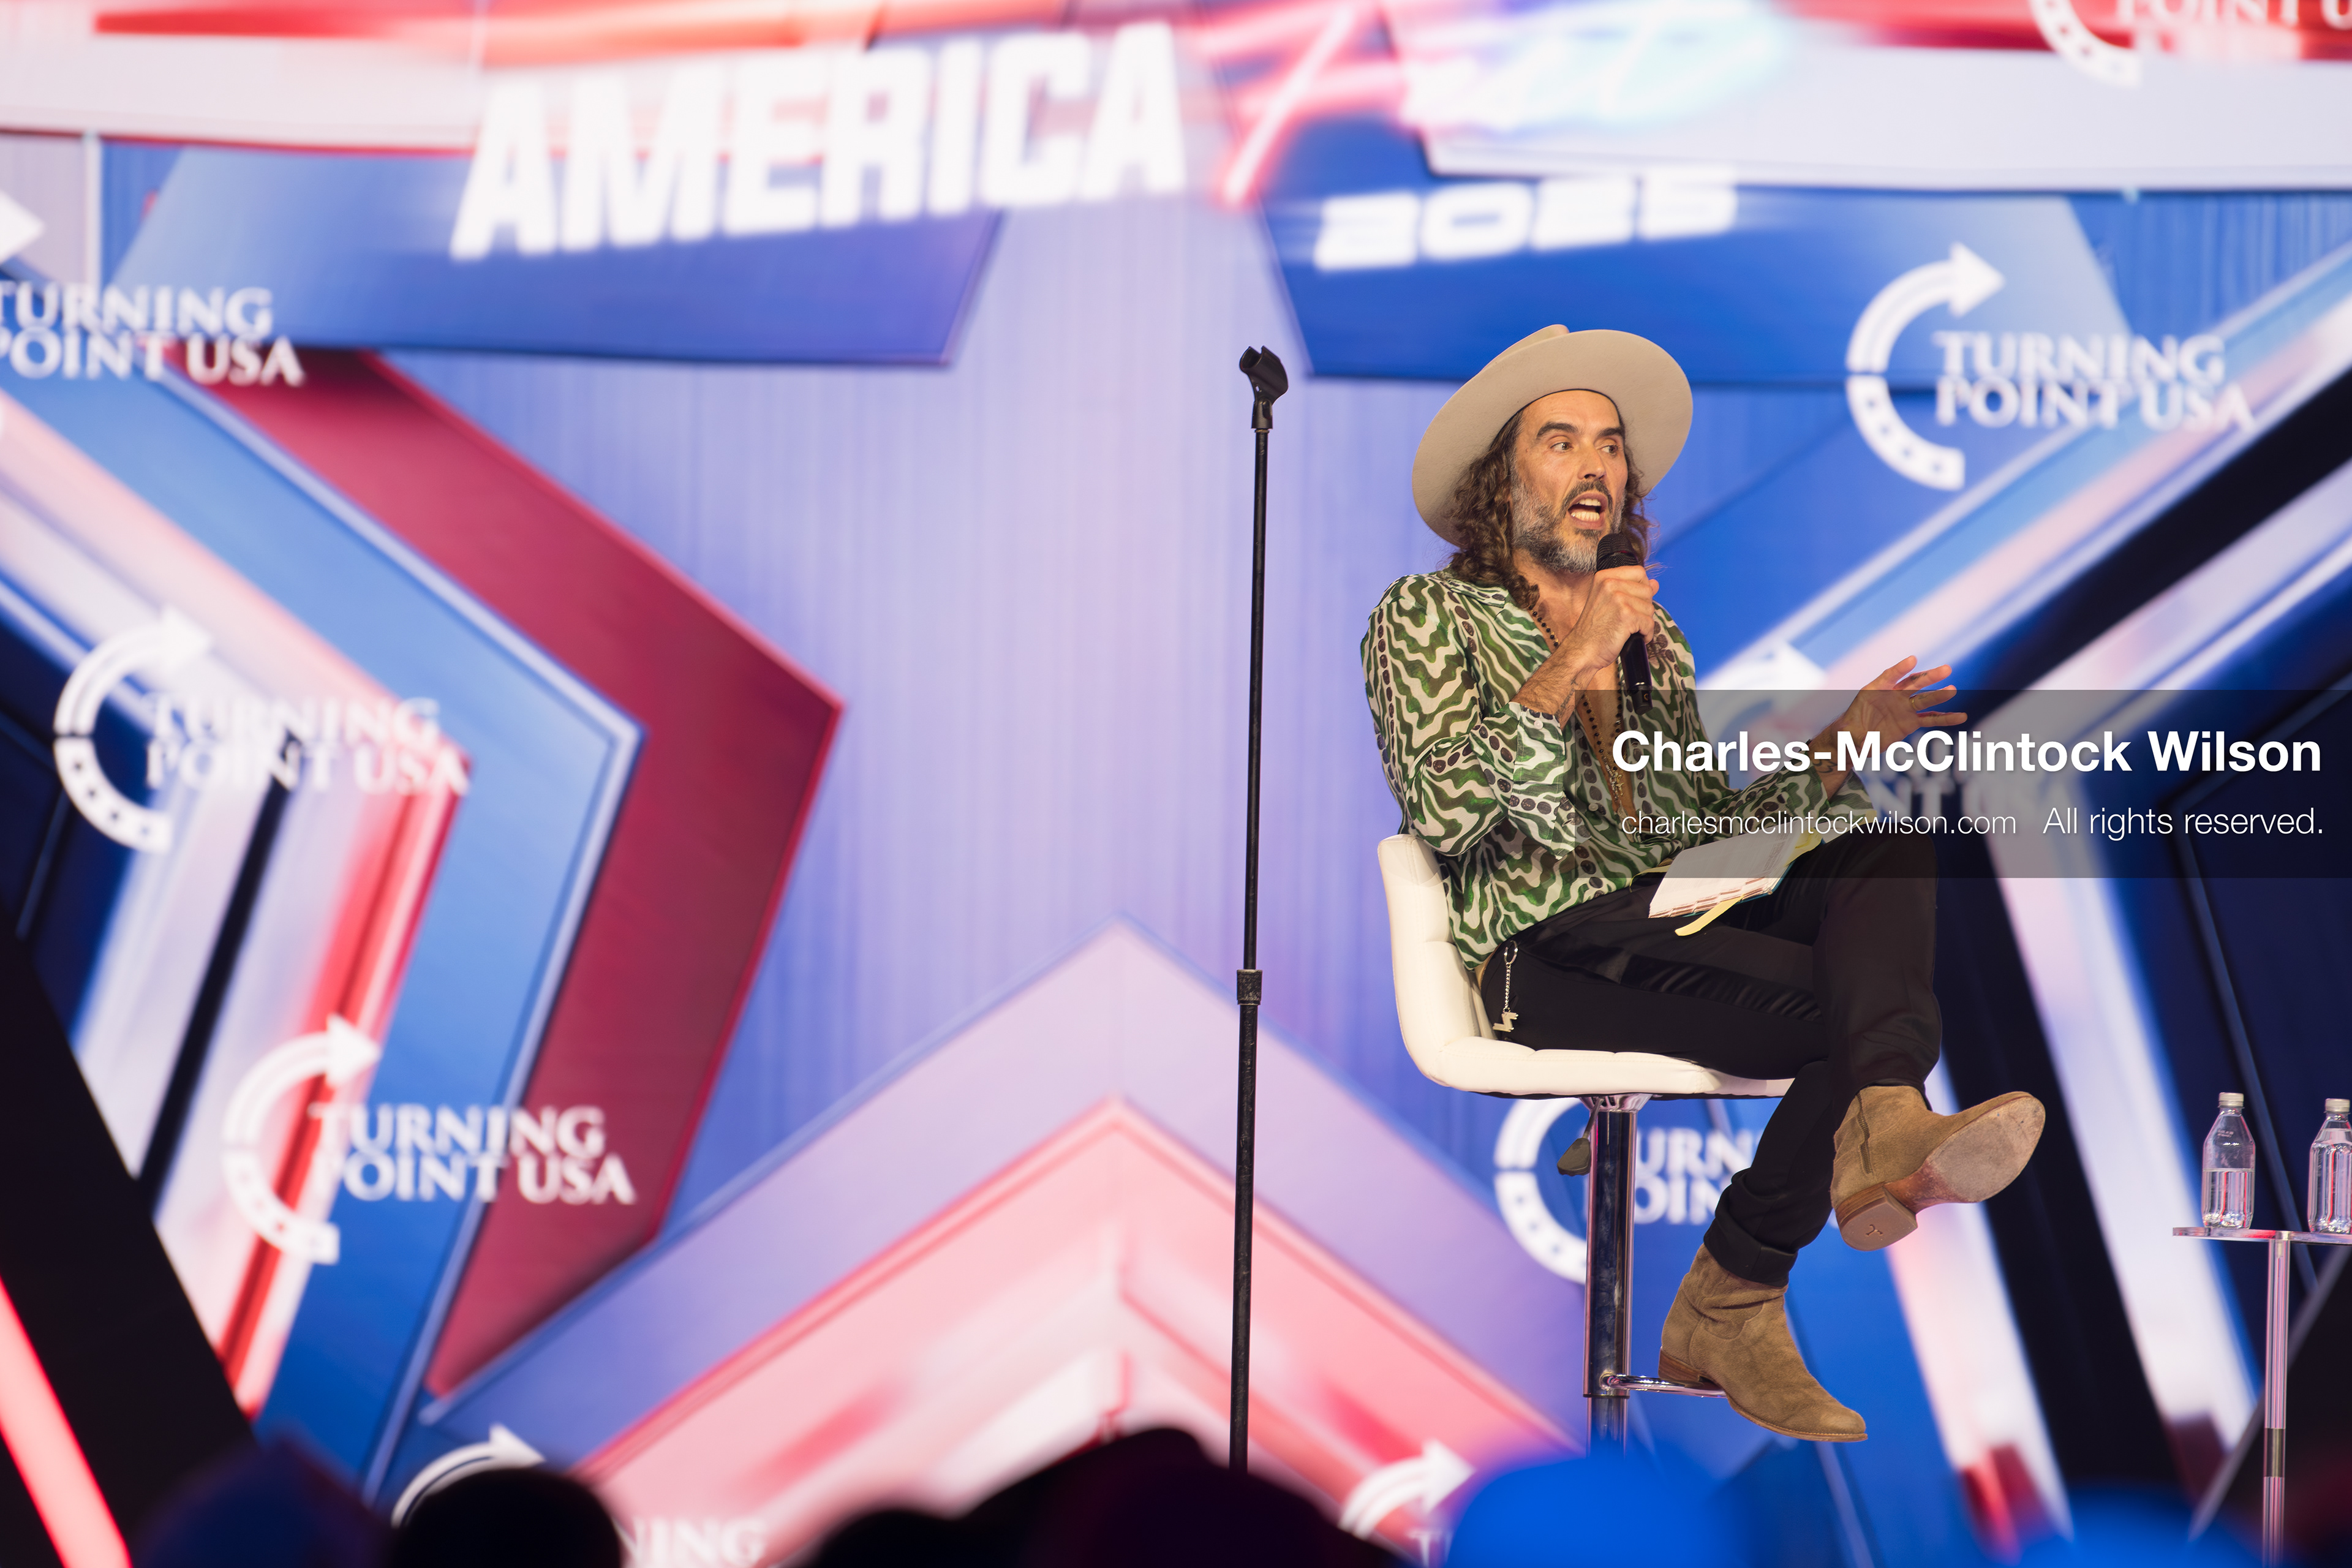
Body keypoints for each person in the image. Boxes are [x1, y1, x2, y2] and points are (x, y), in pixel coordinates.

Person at [1361, 325, 2046, 1442]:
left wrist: (1837, 745)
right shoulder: (1422, 616)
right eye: (1561, 441)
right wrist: (1575, 655)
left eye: (1612, 447)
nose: (1596, 466)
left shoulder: (1654, 642)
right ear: (1504, 481)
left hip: (1672, 916)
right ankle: (1738, 1288)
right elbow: (1447, 808)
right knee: (1858, 1011)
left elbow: (1706, 833)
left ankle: (1878, 1126)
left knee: (1880, 850)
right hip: (1542, 953)